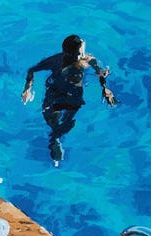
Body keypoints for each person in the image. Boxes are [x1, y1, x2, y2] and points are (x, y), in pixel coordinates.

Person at [22, 34, 119, 167]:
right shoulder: (56, 61)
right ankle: (55, 135)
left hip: (74, 95)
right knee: (50, 116)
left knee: (69, 119)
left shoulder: (86, 60)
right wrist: (27, 88)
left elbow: (100, 73)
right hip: (55, 92)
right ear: (66, 53)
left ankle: (55, 137)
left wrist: (105, 88)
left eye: (83, 52)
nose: (82, 56)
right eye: (79, 54)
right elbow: (31, 70)